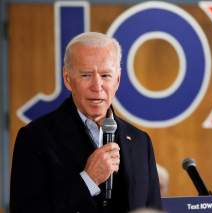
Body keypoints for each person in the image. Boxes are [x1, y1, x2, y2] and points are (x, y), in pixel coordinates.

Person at [10, 32, 161, 213]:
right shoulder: (35, 138)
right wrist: (88, 180)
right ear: (68, 79)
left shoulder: (140, 141)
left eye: (105, 75)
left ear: (118, 80)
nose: (97, 86)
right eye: (86, 75)